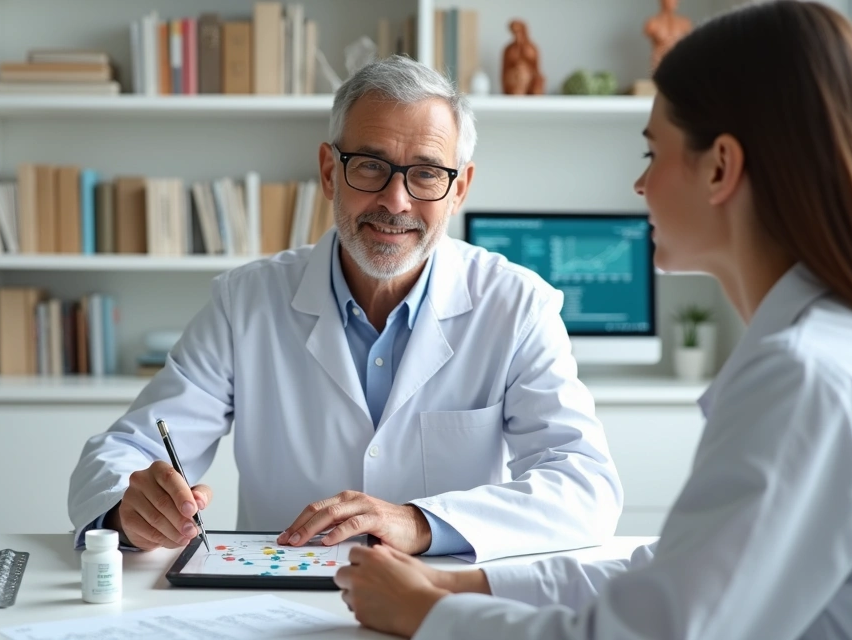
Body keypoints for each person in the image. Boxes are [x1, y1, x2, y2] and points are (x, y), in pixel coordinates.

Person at [334, 3, 852, 638]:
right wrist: (464, 583)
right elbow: (669, 577)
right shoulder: (842, 348)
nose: (640, 185)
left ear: (720, 168)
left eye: (651, 151)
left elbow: (652, 630)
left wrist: (431, 614)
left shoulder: (806, 376)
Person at [69, 55, 622, 563]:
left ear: (459, 189)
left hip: (439, 601)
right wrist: (128, 508)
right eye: (370, 166)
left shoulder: (517, 305)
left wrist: (419, 523)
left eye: (427, 173)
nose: (396, 201)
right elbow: (127, 449)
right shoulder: (246, 302)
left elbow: (584, 486)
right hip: (270, 599)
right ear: (330, 171)